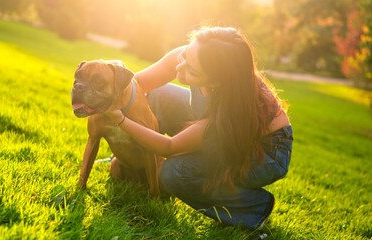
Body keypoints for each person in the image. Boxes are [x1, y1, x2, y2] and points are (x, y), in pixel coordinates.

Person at [107, 26, 293, 230]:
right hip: (218, 125)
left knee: (174, 173)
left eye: (192, 71)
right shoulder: (197, 56)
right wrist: (106, 93)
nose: (180, 68)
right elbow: (136, 84)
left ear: (216, 81)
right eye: (185, 55)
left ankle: (253, 208)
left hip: (266, 152)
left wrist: (121, 121)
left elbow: (168, 147)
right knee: (158, 95)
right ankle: (144, 165)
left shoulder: (229, 107)